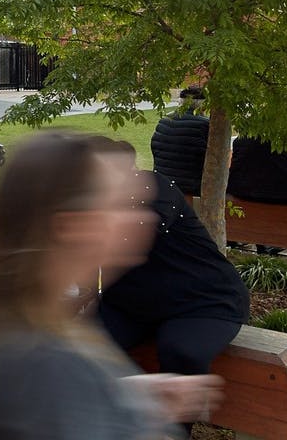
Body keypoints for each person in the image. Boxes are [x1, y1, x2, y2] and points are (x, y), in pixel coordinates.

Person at [0, 130, 223, 440]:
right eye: (119, 205)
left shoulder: (22, 328)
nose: (141, 218)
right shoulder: (49, 366)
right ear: (71, 227)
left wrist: (133, 397)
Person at [91, 137, 248, 424]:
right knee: (80, 344)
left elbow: (135, 233)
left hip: (202, 301)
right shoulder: (85, 205)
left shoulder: (155, 188)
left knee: (180, 350)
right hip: (130, 304)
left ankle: (174, 431)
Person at [150, 89, 209, 197]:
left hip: (162, 184)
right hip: (191, 189)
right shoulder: (204, 125)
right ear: (202, 105)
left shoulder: (165, 121)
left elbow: (156, 150)